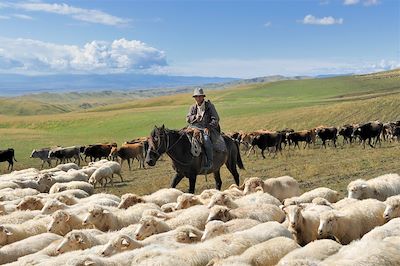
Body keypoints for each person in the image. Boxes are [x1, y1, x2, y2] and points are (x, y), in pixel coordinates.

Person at [186, 87, 220, 170]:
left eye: (200, 96)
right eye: (196, 96)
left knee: (206, 140)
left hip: (206, 128)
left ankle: (210, 162)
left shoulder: (209, 106)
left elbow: (216, 119)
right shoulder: (193, 107)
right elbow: (187, 118)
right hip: (194, 127)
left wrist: (208, 127)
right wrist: (195, 117)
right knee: (184, 136)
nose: (198, 98)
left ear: (203, 97)